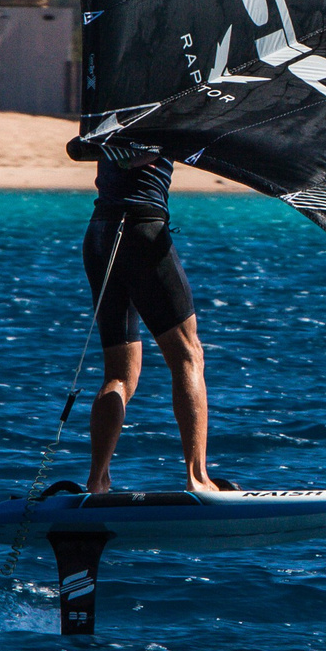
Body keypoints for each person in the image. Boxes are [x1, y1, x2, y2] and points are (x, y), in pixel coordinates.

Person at [84, 143, 225, 494]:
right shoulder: (158, 108)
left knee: (119, 373)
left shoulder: (111, 108)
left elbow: (87, 146)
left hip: (100, 233)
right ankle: (198, 479)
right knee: (188, 356)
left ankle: (97, 481)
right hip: (141, 232)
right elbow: (145, 152)